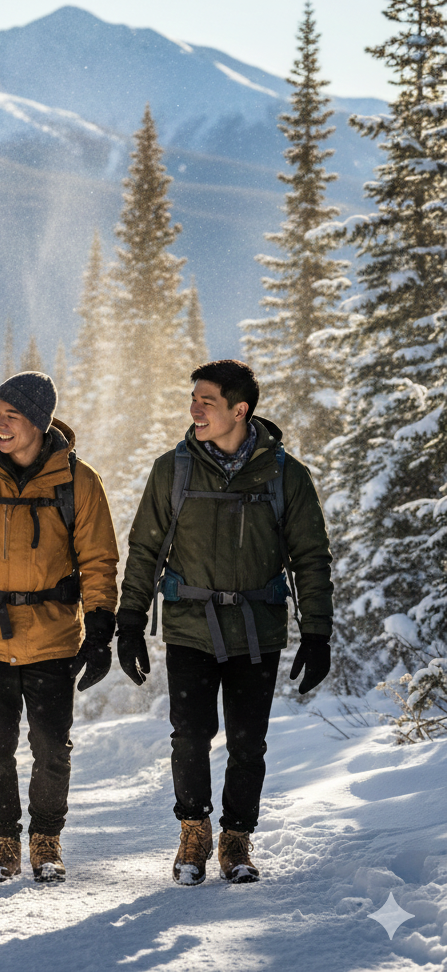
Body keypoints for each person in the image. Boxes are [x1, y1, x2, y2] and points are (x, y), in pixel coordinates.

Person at [118, 360, 333, 885]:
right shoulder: (174, 469)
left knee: (247, 743)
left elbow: (311, 556)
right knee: (189, 736)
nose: (194, 409)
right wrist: (128, 620)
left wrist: (317, 632)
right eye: (193, 399)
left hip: (257, 631)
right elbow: (145, 549)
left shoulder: (287, 475)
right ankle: (194, 830)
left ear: (240, 410)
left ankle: (236, 838)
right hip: (191, 625)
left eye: (206, 401)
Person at [0, 371, 130, 884]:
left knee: (50, 748)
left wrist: (102, 628)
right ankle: (2, 842)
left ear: (38, 422)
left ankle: (45, 839)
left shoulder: (78, 481)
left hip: (54, 638)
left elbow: (99, 559)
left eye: (11, 415)